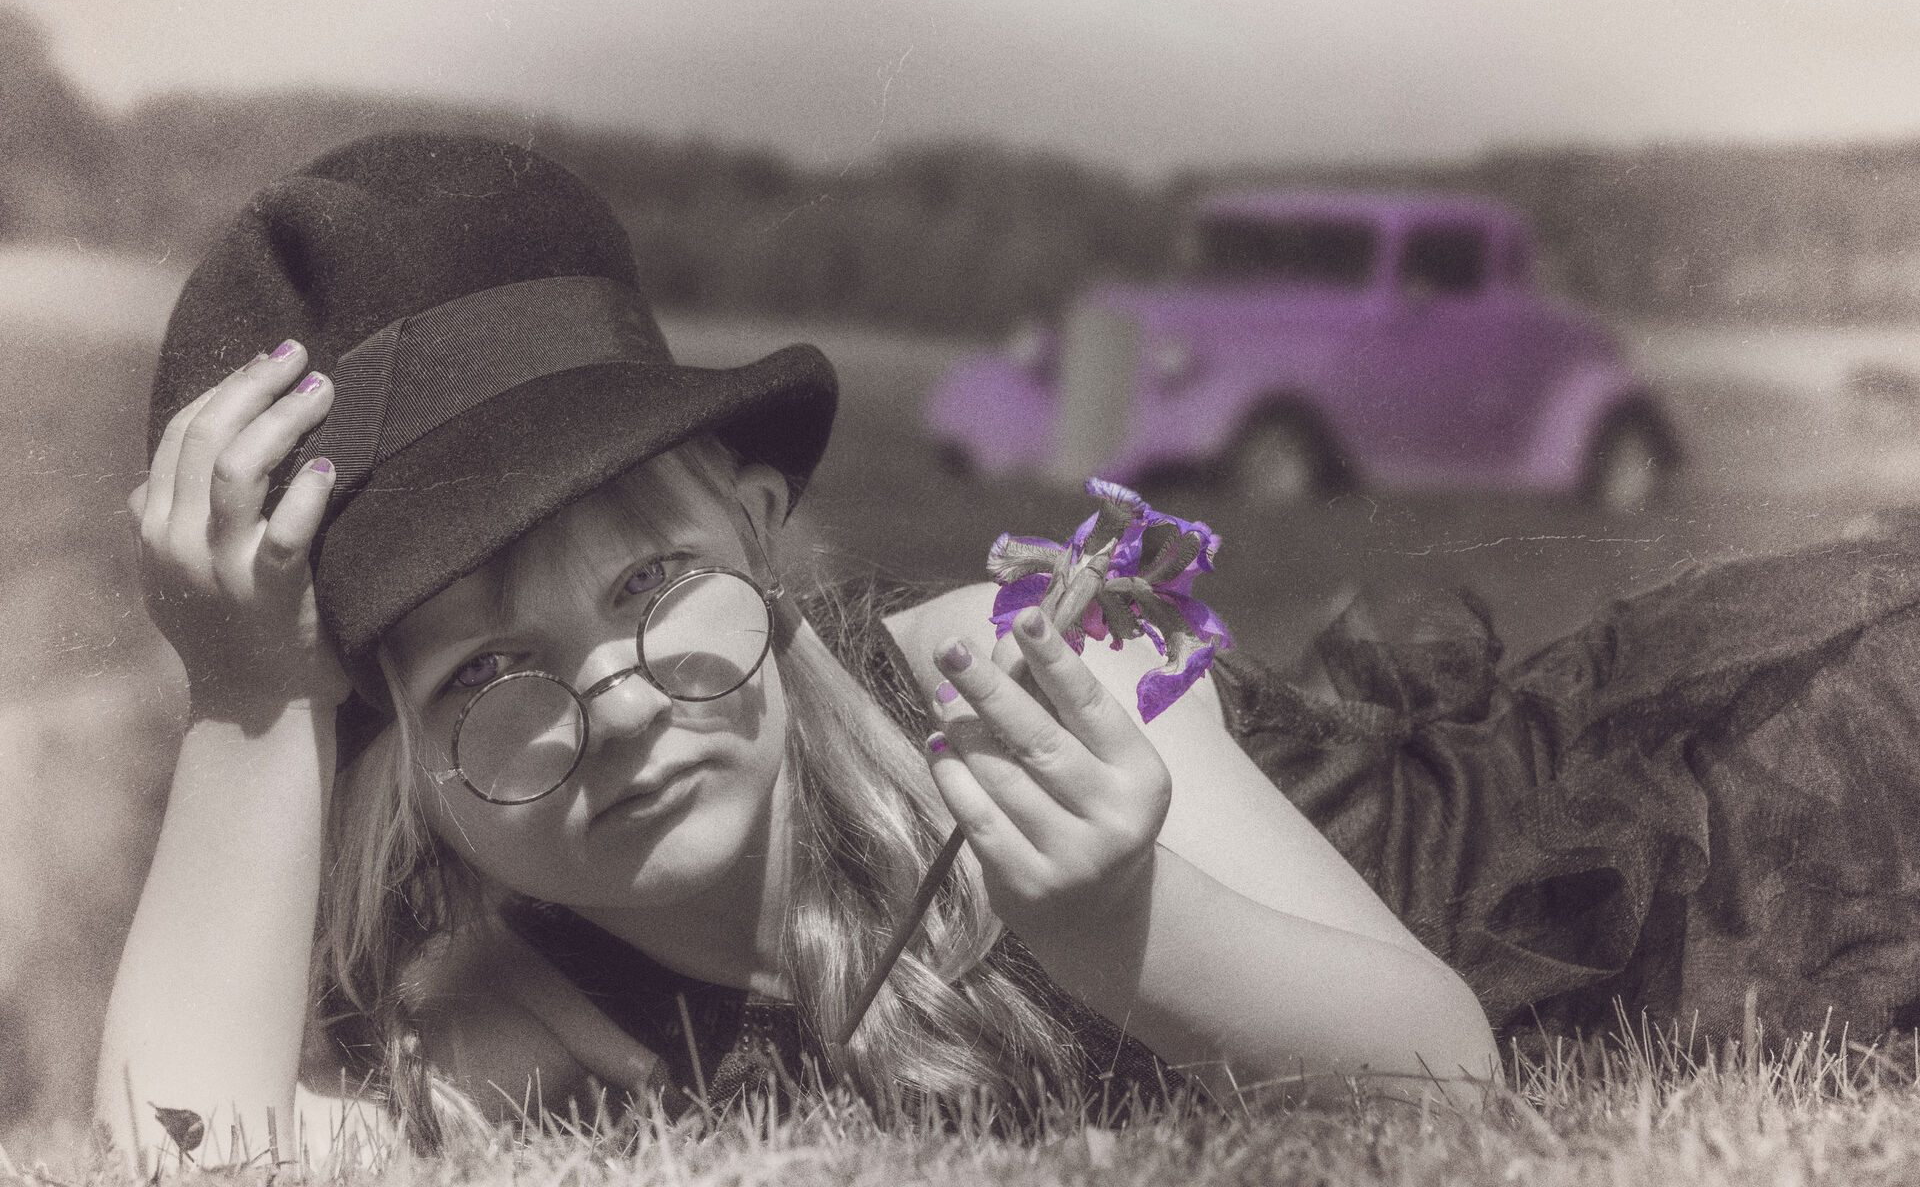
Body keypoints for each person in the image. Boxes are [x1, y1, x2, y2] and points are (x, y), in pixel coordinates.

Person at [94, 133, 1498, 1167]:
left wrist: (1121, 924)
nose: (616, 706)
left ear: (761, 534)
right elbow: (183, 1156)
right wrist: (248, 702)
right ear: (399, 760)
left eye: (653, 581)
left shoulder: (1017, 677)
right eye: (480, 674)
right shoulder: (532, 1009)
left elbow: (1451, 1079)